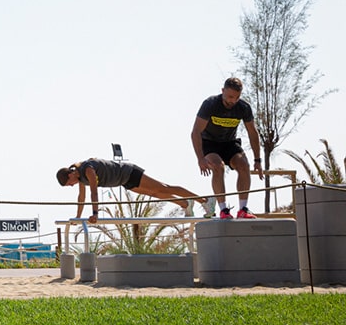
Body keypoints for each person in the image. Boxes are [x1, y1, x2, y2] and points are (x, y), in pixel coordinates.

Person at [191, 77, 264, 219]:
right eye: (230, 96)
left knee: (244, 165)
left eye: (237, 97)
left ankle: (243, 209)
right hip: (209, 143)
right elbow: (195, 132)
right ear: (222, 91)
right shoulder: (210, 104)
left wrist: (258, 160)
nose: (233, 101)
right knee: (219, 167)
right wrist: (200, 158)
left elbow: (253, 133)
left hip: (229, 143)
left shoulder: (243, 107)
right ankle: (224, 210)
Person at [56, 159, 202, 223]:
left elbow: (93, 193)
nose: (71, 185)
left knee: (163, 188)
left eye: (69, 183)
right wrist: (77, 218)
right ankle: (185, 204)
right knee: (155, 194)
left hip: (129, 172)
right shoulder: (80, 178)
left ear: (70, 175)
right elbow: (81, 197)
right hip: (124, 182)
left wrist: (95, 214)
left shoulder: (87, 169)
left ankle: (204, 200)